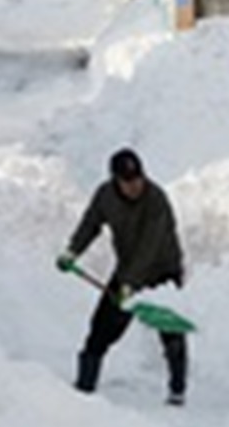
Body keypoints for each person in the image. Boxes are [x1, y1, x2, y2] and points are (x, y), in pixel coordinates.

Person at [57, 148, 187, 404]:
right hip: (127, 269)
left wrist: (130, 284)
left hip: (163, 271)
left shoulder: (155, 199)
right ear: (116, 180)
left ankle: (177, 390)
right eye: (128, 181)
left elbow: (149, 247)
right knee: (101, 328)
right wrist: (73, 250)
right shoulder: (105, 196)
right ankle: (84, 388)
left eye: (138, 178)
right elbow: (90, 223)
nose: (135, 185)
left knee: (170, 331)